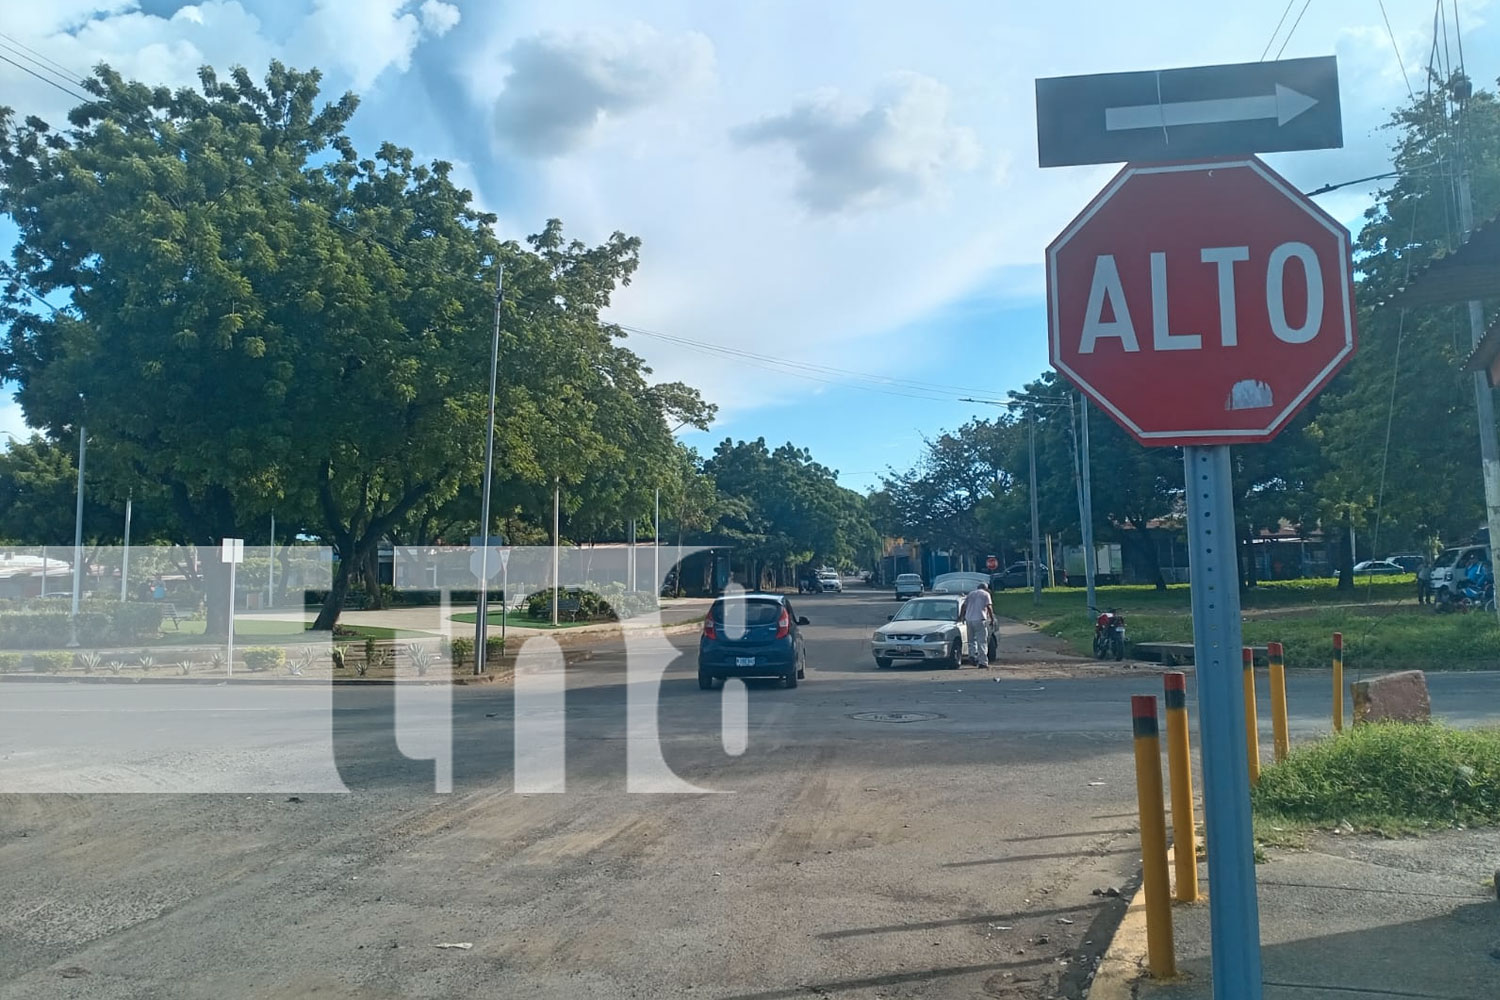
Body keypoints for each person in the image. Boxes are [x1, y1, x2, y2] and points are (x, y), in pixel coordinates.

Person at [960, 582, 994, 669]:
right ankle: (983, 662)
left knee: (971, 640)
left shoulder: (971, 593)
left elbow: (964, 606)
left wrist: (961, 616)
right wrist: (992, 619)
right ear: (985, 588)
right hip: (980, 619)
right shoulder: (986, 594)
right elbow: (989, 607)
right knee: (982, 641)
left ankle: (972, 655)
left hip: (969, 619)